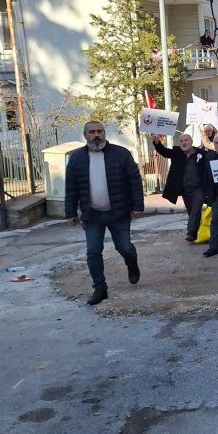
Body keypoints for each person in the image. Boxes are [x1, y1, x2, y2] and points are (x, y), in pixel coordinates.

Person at [64, 121, 143, 306]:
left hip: (119, 212)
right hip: (92, 215)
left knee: (124, 247)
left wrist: (137, 206)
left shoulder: (121, 154)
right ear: (85, 135)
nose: (96, 135)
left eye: (99, 131)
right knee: (93, 252)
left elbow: (134, 181)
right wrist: (70, 212)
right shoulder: (77, 158)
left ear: (104, 133)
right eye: (92, 132)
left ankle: (132, 264)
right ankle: (100, 288)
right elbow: (71, 187)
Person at [152, 132, 208, 242]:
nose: (184, 143)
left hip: (199, 189)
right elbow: (164, 152)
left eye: (186, 140)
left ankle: (190, 233)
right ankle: (196, 232)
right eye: (181, 141)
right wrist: (157, 142)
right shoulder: (176, 152)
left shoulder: (202, 154)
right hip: (185, 190)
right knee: (191, 211)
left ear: (191, 142)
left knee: (196, 210)